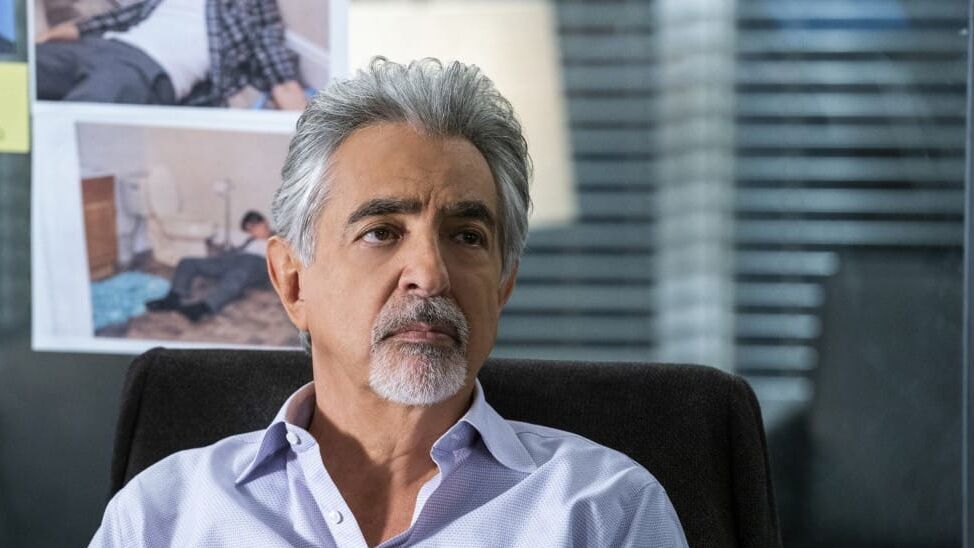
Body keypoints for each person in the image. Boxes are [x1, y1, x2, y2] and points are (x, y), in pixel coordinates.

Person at [91, 58, 689, 547]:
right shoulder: (163, 517)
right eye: (381, 231)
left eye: (467, 236)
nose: (430, 274)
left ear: (503, 284)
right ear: (292, 282)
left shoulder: (604, 512)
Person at [35, 0, 307, 109]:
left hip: (148, 69)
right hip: (101, 47)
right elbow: (121, 17)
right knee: (19, 73)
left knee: (66, 122)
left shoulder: (252, 5)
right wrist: (60, 33)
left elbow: (281, 77)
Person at [145, 210, 272, 322]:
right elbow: (219, 236)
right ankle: (173, 298)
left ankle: (204, 308)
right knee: (187, 262)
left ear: (264, 223)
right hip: (232, 261)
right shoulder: (246, 239)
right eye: (249, 228)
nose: (252, 231)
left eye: (257, 226)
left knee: (240, 271)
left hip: (258, 263)